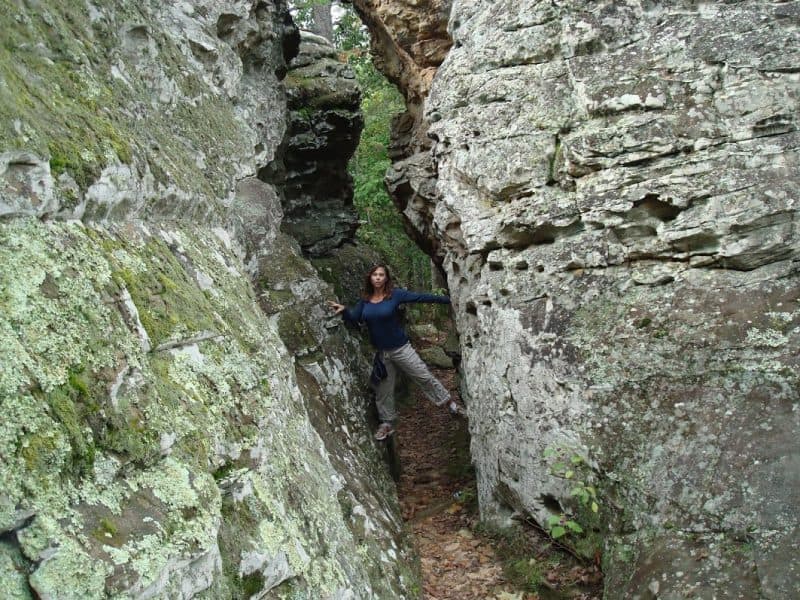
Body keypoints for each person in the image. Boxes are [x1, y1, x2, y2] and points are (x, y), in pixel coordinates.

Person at [328, 264, 465, 440]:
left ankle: (450, 404)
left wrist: (450, 300)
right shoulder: (365, 301)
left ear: (386, 278)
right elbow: (355, 319)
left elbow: (420, 298)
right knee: (383, 390)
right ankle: (387, 424)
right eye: (374, 275)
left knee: (423, 376)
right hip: (382, 353)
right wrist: (345, 311)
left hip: (401, 348)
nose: (377, 277)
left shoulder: (395, 295)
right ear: (370, 278)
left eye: (381, 275)